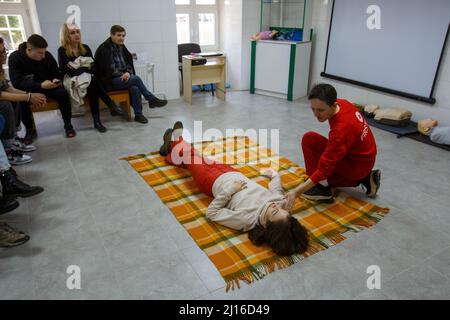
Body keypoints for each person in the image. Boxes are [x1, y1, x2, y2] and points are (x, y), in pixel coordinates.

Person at [159, 122, 309, 256]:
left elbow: (212, 213)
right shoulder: (279, 205)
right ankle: (171, 150)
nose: (276, 205)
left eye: (275, 211)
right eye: (284, 211)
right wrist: (274, 176)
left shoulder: (247, 220)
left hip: (211, 181)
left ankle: (175, 140)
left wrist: (229, 190)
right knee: (198, 156)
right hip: (232, 172)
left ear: (266, 224)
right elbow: (277, 190)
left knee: (190, 156)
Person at [285, 84, 381, 206]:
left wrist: (295, 192)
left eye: (320, 110)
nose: (316, 114)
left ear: (333, 105)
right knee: (310, 139)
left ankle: (322, 189)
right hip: (364, 158)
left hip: (358, 165)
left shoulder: (340, 131)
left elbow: (324, 169)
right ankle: (367, 177)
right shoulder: (343, 104)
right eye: (313, 109)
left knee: (323, 174)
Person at [58, 23, 125, 133]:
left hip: (87, 80)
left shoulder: (85, 48)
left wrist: (81, 69)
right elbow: (67, 71)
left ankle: (97, 121)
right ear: (66, 35)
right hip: (73, 81)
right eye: (72, 33)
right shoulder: (62, 50)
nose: (76, 34)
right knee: (93, 81)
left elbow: (94, 67)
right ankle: (110, 106)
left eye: (78, 31)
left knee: (92, 84)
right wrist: (84, 69)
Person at [94, 25, 168, 124]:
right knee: (136, 79)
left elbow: (128, 63)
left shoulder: (121, 47)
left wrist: (128, 73)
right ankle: (151, 99)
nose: (121, 38)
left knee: (135, 88)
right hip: (109, 81)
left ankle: (138, 115)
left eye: (123, 36)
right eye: (118, 35)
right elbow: (109, 70)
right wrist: (123, 74)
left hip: (121, 78)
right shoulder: (105, 49)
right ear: (112, 35)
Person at [8, 34, 77, 138]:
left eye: (44, 52)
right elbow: (17, 82)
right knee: (22, 100)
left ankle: (68, 125)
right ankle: (30, 130)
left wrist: (56, 80)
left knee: (62, 93)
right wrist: (40, 85)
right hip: (28, 90)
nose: (44, 56)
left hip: (48, 86)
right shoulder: (15, 58)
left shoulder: (47, 55)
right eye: (40, 53)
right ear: (29, 49)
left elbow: (56, 72)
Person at [0, 37, 45, 164]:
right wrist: (29, 97)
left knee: (17, 100)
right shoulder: (16, 58)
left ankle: (13, 138)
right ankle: (8, 148)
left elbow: (7, 88)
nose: (4, 55)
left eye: (4, 51)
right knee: (5, 105)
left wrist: (28, 95)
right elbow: (1, 94)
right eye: (1, 53)